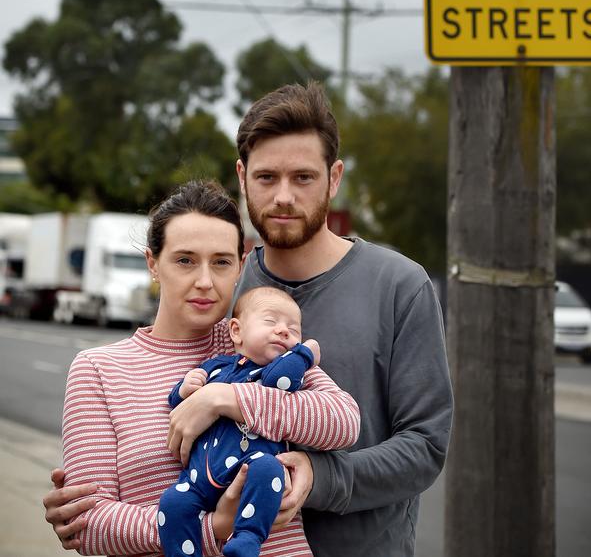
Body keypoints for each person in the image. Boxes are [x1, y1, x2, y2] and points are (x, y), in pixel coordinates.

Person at [45, 81, 452, 557]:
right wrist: (92, 515)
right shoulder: (221, 299)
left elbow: (425, 447)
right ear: (242, 177)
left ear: (334, 177)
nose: (283, 197)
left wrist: (316, 473)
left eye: (303, 177)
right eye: (266, 178)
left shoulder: (400, 287)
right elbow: (112, 484)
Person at [44, 179, 359, 557]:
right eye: (185, 260)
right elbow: (88, 527)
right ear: (153, 264)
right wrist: (214, 528)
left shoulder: (255, 343)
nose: (205, 282)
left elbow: (343, 420)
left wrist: (224, 397)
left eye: (221, 262)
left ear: (241, 266)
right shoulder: (97, 369)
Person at [159, 286, 321, 557]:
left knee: (270, 469)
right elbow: (177, 404)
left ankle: (247, 538)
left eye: (294, 330)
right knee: (173, 503)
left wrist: (305, 353)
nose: (283, 331)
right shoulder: (216, 366)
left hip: (253, 467)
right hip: (200, 477)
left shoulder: (276, 372)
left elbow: (278, 381)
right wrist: (185, 388)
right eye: (271, 322)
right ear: (236, 331)